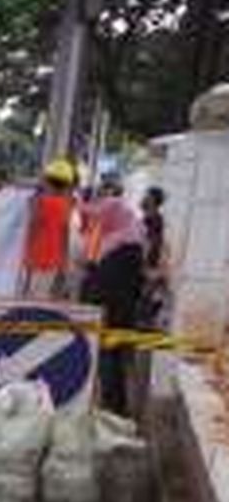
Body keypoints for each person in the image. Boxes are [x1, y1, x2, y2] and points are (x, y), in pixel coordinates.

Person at [79, 173, 145, 415]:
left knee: (108, 355)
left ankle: (112, 406)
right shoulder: (132, 235)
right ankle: (116, 405)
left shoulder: (117, 240)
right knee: (116, 357)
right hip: (125, 309)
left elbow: (92, 213)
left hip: (112, 309)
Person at [21, 158, 77, 299]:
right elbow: (65, 235)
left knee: (29, 298)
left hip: (36, 258)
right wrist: (63, 263)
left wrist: (27, 255)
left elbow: (33, 227)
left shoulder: (40, 202)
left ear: (47, 181)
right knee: (40, 298)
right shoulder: (67, 206)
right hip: (52, 261)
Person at [139, 185, 171, 330]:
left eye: (147, 196)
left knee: (144, 306)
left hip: (147, 270)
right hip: (147, 269)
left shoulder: (154, 220)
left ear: (153, 200)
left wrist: (146, 267)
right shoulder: (150, 218)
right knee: (145, 305)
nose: (143, 198)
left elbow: (151, 244)